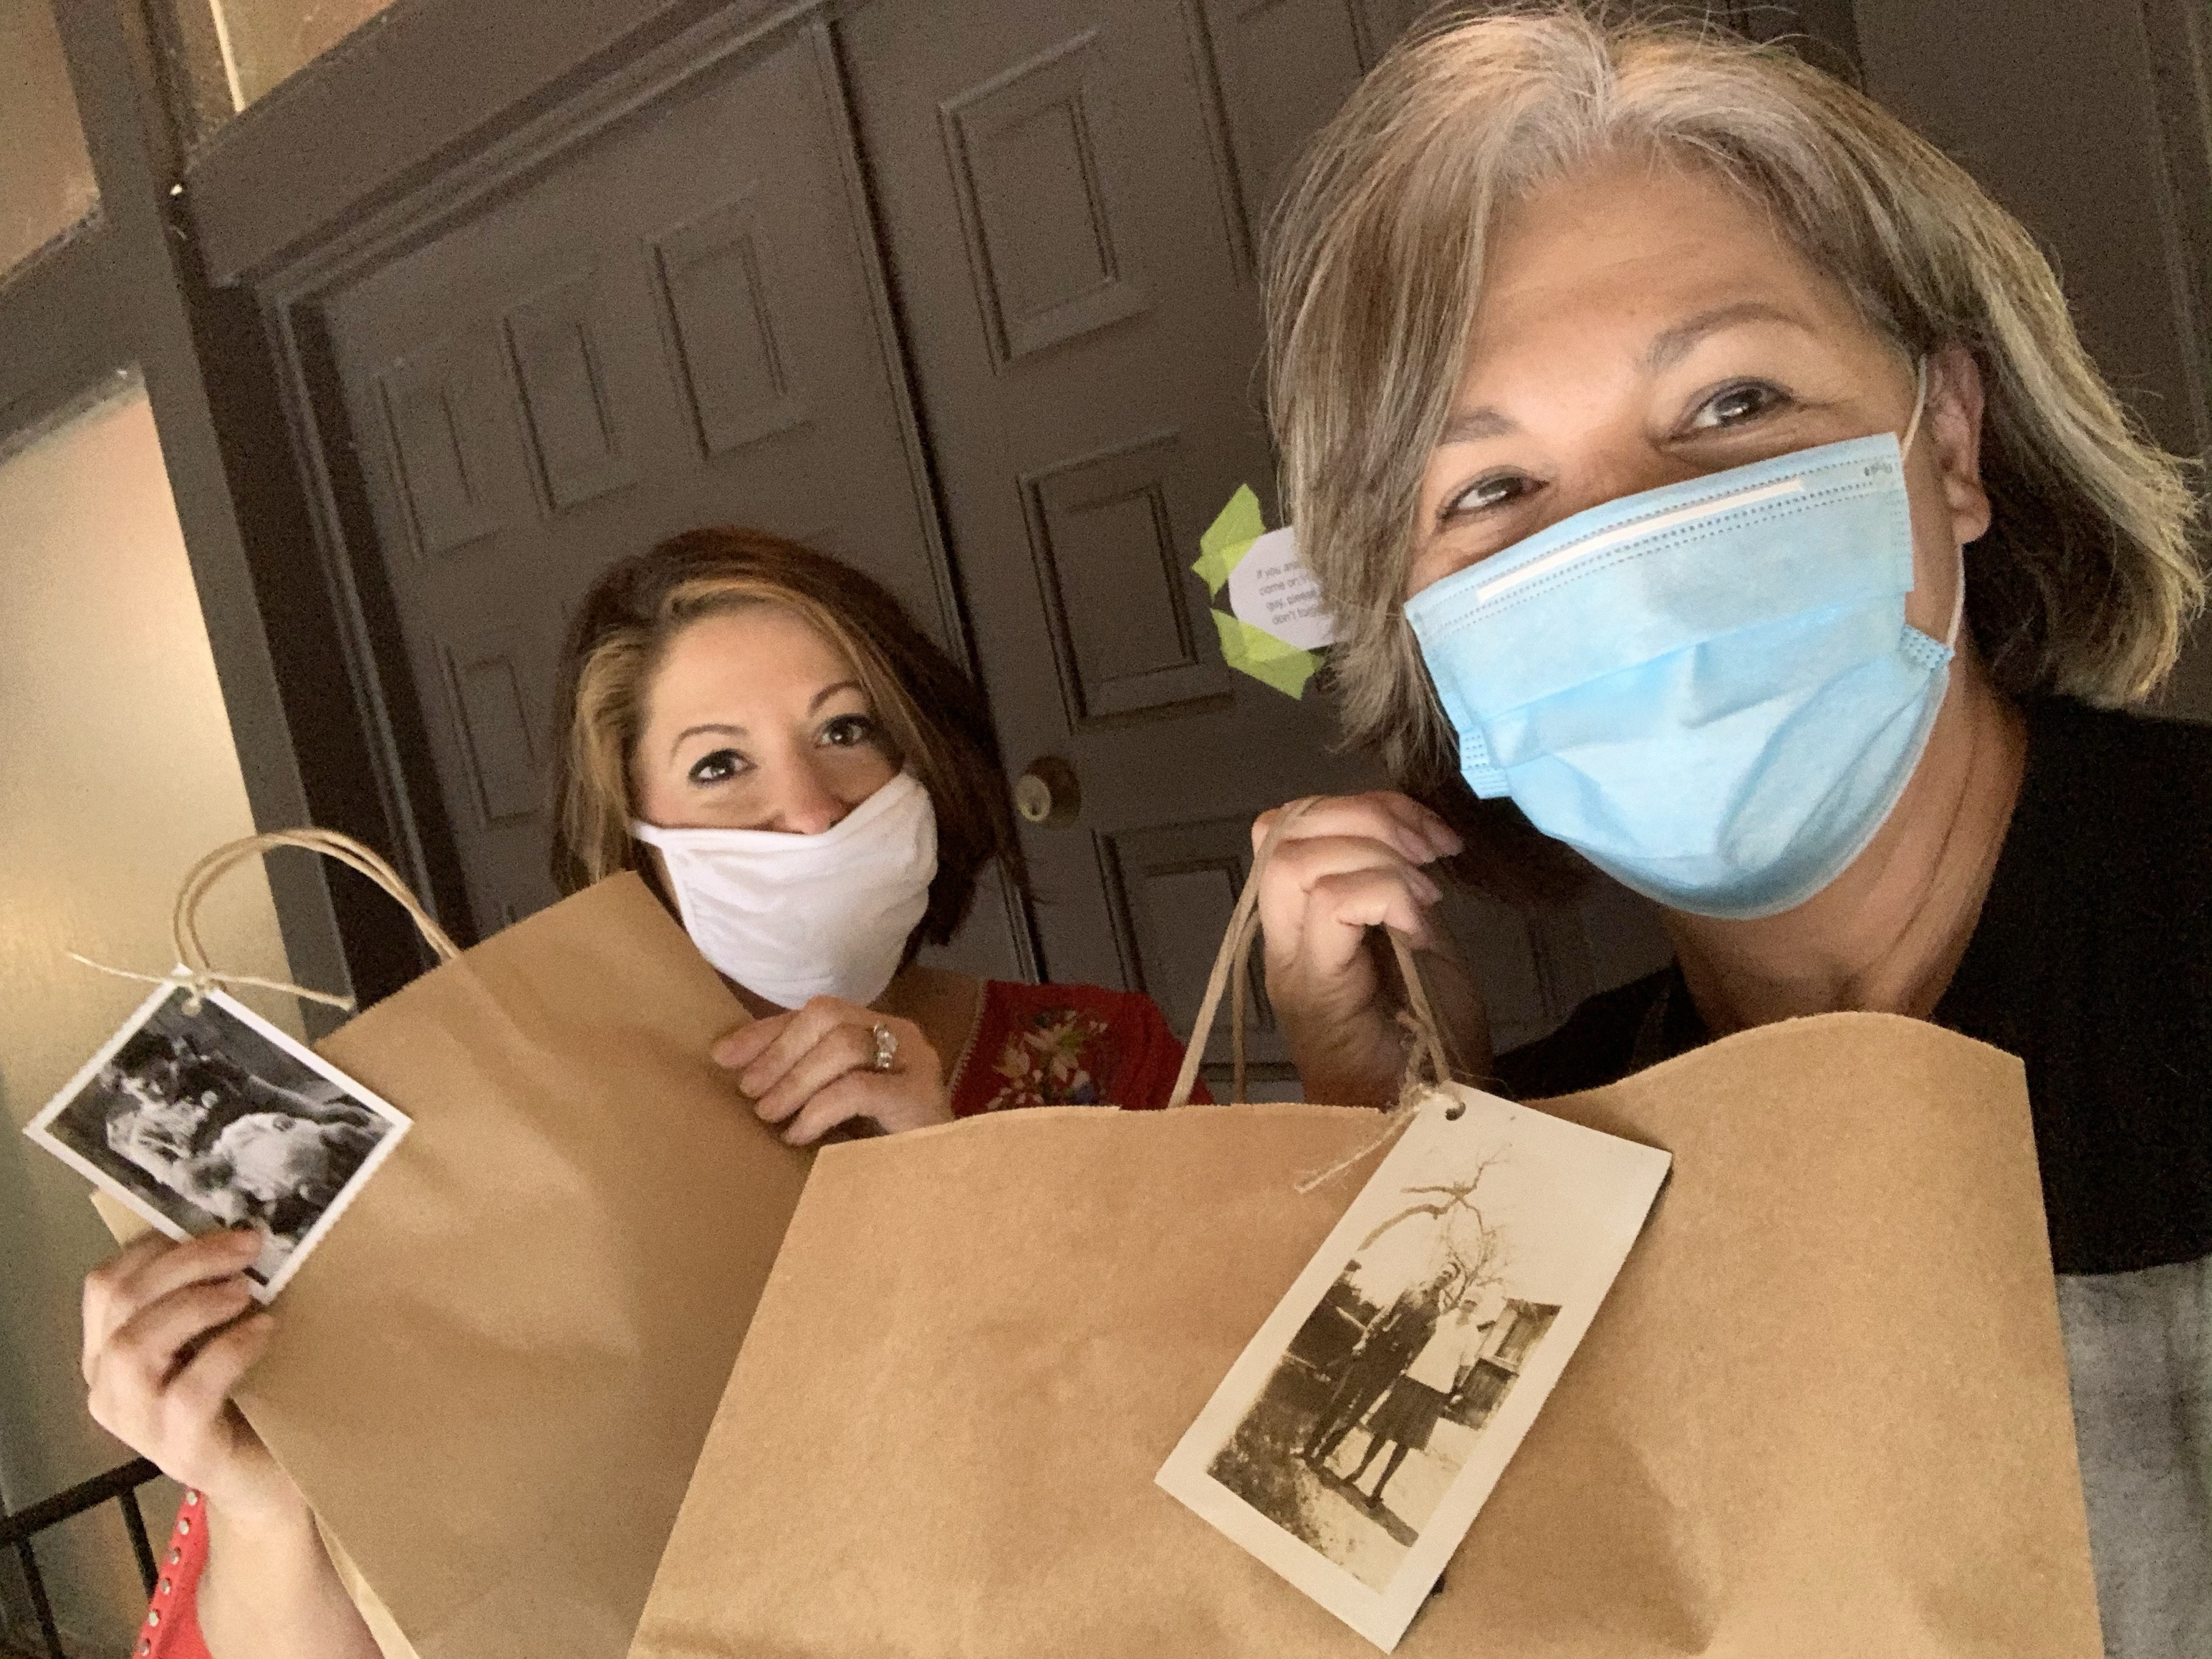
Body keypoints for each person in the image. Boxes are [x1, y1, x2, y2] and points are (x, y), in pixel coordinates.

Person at [1249, 11, 2208, 1653]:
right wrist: (1402, 1142)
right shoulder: (1541, 1136)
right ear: (1423, 625)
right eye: (1490, 492)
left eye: (1730, 399)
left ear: (1952, 442)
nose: (1627, 542)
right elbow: (1328, 1573)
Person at [85, 526, 1203, 1658]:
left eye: (847, 730)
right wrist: (263, 1500)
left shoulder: (1098, 1060)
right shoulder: (492, 1146)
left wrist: (948, 1176)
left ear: (926, 757)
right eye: (721, 766)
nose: (811, 810)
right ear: (635, 830)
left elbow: (1240, 1450)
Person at [1345, 1291, 1498, 1511]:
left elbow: (1466, 1366)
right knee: (1383, 1429)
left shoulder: (1472, 1335)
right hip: (1413, 1380)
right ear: (1462, 1301)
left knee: (1406, 1440)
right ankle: (1359, 1470)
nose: (1468, 1306)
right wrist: (1409, 1364)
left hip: (1435, 1391)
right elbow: (1420, 1341)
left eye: (1473, 1304)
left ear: (1476, 1308)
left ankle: (1378, 1489)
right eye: (1467, 1301)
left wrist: (1455, 1388)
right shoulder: (1442, 1321)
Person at [1301, 1275, 1444, 1468]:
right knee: (1341, 1399)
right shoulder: (1411, 1291)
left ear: (1450, 1283)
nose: (1444, 1278)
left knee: (1357, 1410)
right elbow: (1384, 1315)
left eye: (1450, 1277)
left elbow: (1422, 1342)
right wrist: (1364, 1340)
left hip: (1393, 1362)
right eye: (1444, 1273)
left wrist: (1408, 1364)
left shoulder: (1436, 1312)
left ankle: (1324, 1454)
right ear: (1437, 1274)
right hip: (1376, 1348)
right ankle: (1308, 1448)